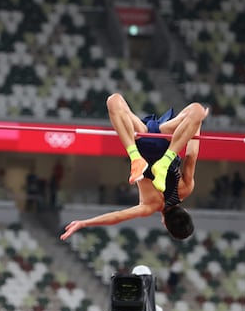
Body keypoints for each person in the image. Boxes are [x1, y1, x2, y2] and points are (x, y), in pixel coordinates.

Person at [60, 93, 209, 241]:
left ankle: (142, 158)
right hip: (144, 144)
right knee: (113, 102)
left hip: (163, 139)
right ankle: (144, 158)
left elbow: (192, 155)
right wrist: (84, 223)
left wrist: (197, 123)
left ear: (185, 211)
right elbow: (117, 216)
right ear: (164, 224)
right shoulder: (150, 206)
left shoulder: (185, 189)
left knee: (197, 110)